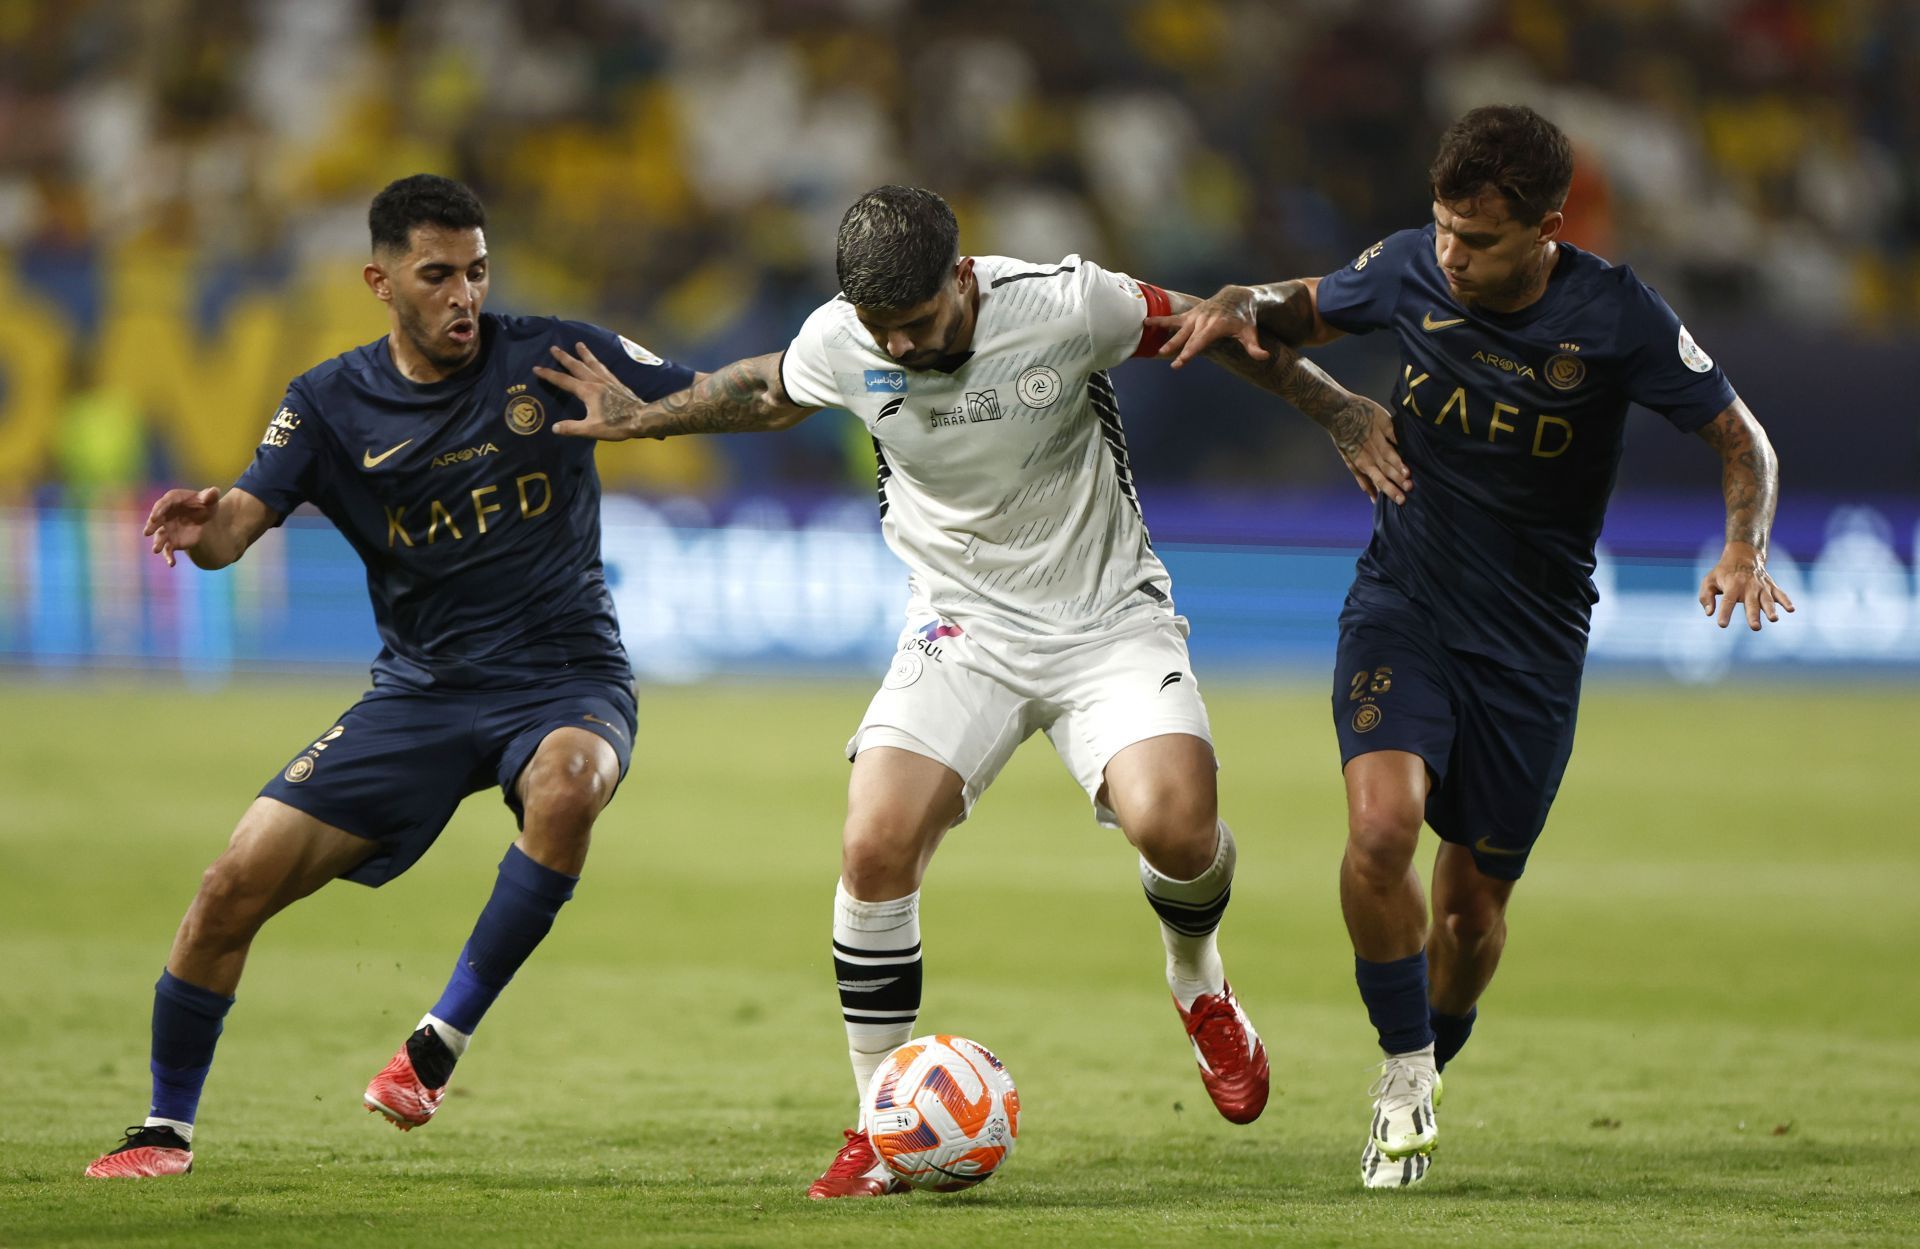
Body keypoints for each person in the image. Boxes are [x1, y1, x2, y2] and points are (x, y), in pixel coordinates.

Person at [534, 185, 1402, 1199]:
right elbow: (772, 388)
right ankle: (878, 1127)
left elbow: (1210, 329)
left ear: (961, 276)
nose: (899, 349)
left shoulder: (1071, 303)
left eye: (918, 324)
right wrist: (647, 418)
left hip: (1107, 621)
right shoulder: (845, 335)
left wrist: (1337, 408)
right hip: (963, 630)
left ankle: (1197, 976)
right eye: (881, 332)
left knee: (1173, 827)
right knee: (873, 844)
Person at [1153, 104, 1793, 1188]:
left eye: (1480, 238)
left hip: (1533, 642)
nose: (1452, 253)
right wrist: (1243, 306)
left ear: (1548, 225)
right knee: (1378, 831)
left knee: (1471, 911)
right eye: (1444, 227)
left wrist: (1744, 548)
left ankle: (1428, 1056)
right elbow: (1288, 312)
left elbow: (1742, 439)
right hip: (1403, 601)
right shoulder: (1408, 268)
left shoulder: (1619, 314)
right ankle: (1402, 1070)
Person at [85, 174, 697, 1178]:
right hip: (420, 696)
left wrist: (698, 403)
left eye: (478, 270)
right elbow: (240, 521)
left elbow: (706, 397)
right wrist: (205, 530)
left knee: (572, 781)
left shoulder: (551, 356)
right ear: (380, 280)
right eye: (438, 274)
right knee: (229, 885)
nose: (466, 294)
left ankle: (434, 1045)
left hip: (563, 674)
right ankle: (162, 1128)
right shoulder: (327, 404)